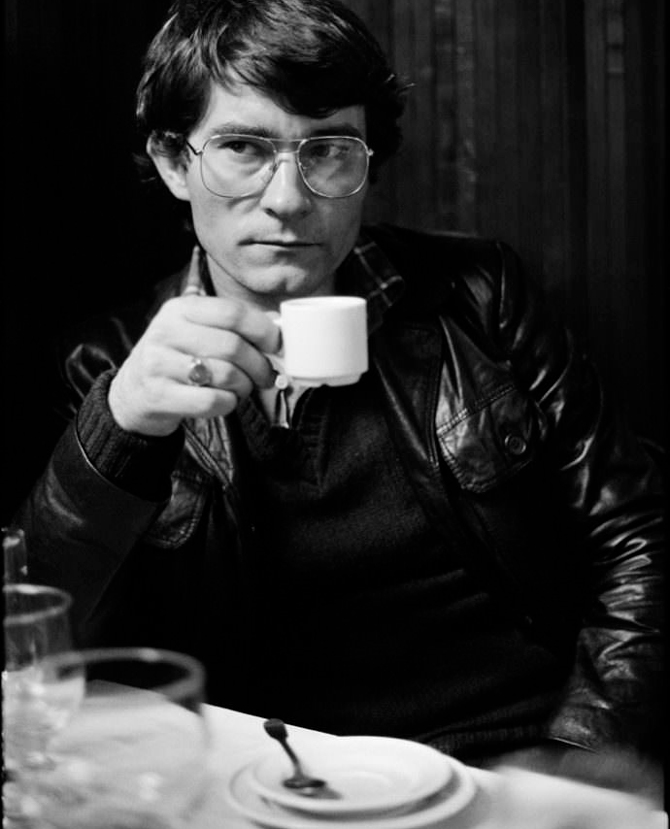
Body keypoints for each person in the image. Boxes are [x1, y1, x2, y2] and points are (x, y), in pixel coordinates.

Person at [16, 0, 664, 771]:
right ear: (173, 161)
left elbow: (638, 537)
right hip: (265, 776)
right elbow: (32, 636)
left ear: (366, 164)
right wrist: (120, 425)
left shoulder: (478, 297)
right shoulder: (103, 364)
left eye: (327, 149)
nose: (289, 199)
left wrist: (582, 755)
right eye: (243, 147)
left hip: (521, 759)